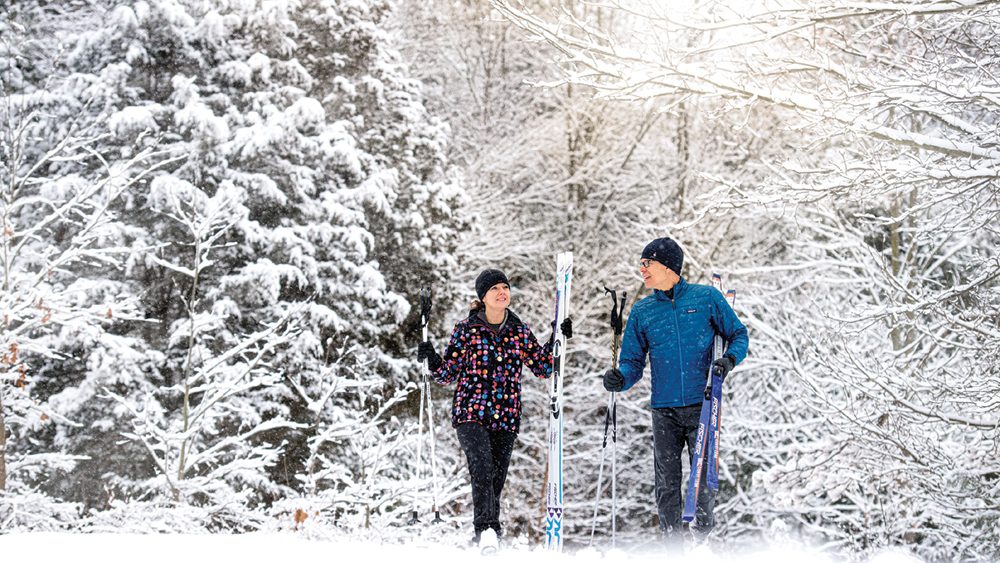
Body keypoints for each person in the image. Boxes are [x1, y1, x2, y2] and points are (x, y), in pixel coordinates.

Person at [602, 237, 748, 546]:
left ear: (668, 266)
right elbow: (632, 362)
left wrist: (728, 360)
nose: (642, 269)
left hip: (703, 405)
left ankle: (702, 537)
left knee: (703, 484)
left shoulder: (706, 298)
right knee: (666, 485)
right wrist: (621, 378)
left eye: (647, 263)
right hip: (664, 410)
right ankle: (672, 547)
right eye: (641, 264)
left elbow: (738, 334)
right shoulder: (643, 312)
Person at [417, 268, 571, 551]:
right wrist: (432, 359)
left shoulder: (519, 331)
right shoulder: (467, 329)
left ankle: (486, 540)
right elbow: (448, 373)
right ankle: (487, 529)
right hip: (470, 412)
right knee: (482, 468)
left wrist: (557, 336)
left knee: (495, 479)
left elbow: (543, 366)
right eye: (495, 289)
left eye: (505, 287)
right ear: (483, 297)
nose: (502, 293)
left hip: (506, 416)